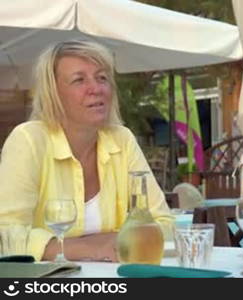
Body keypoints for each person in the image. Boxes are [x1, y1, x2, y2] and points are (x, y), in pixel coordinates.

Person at [0, 40, 174, 262]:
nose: (97, 89)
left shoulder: (122, 140)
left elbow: (164, 224)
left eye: (102, 78)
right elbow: (7, 236)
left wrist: (62, 246)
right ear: (54, 94)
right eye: (79, 80)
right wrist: (93, 247)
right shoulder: (29, 140)